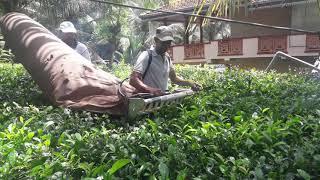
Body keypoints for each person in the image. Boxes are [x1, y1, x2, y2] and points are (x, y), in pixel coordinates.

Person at [130, 26, 201, 96]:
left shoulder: (167, 57)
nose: (167, 46)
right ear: (156, 40)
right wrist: (149, 89)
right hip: (147, 100)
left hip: (161, 100)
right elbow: (133, 79)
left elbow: (174, 79)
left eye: (169, 42)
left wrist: (189, 82)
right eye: (164, 42)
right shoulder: (147, 56)